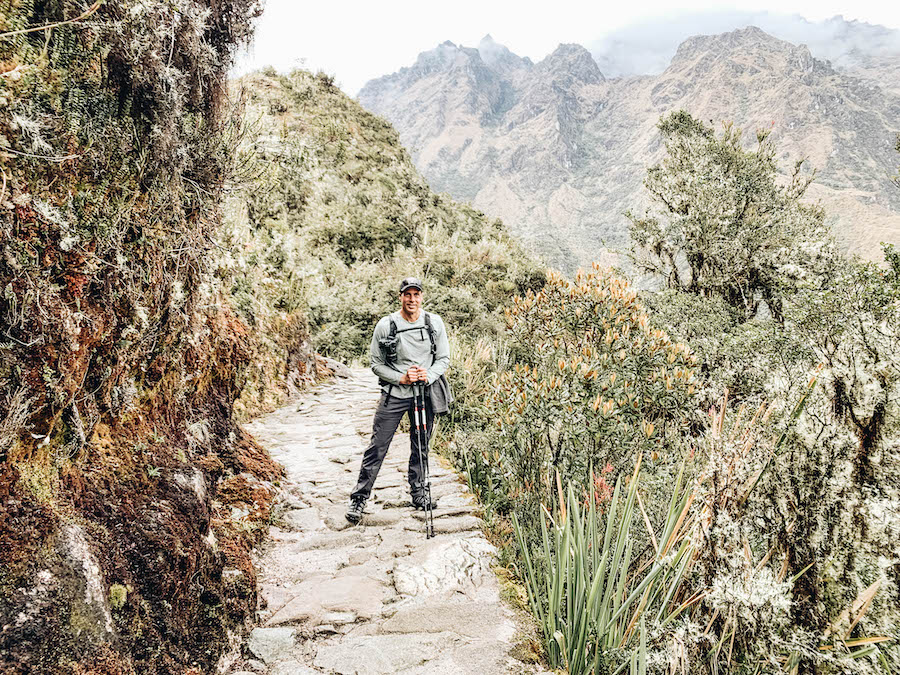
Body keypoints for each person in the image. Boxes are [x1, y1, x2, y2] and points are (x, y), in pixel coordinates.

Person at [345, 277, 450, 524]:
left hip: (424, 394)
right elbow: (375, 364)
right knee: (377, 447)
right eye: (407, 295)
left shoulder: (434, 323)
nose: (411, 299)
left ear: (422, 296)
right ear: (400, 296)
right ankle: (359, 498)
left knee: (421, 444)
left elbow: (443, 358)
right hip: (394, 394)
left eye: (416, 294)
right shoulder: (386, 325)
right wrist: (400, 378)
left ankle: (419, 492)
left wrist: (428, 374)